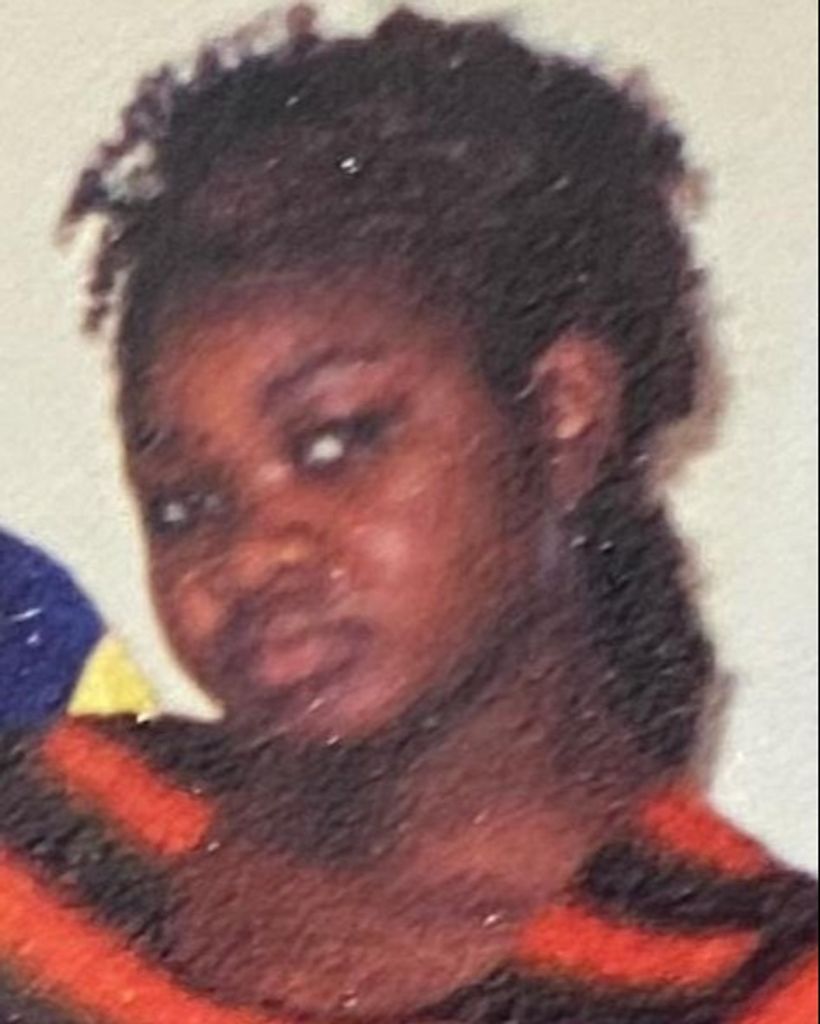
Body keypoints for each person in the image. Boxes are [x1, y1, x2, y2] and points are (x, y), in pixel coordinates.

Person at [0, 8, 816, 1023]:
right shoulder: (45, 831)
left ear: (562, 413)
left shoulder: (742, 983)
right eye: (183, 504)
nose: (249, 554)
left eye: (336, 441)